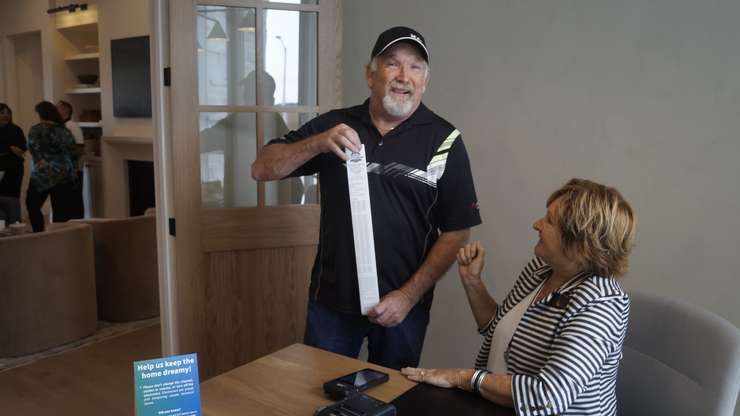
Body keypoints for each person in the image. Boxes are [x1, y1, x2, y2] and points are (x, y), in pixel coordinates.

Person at [252, 27, 481, 370]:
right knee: (318, 395)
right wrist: (317, 142)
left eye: (415, 67)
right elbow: (262, 169)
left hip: (402, 308)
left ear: (425, 79)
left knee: (391, 401)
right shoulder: (335, 125)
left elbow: (457, 231)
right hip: (332, 303)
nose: (404, 77)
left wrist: (408, 296)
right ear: (370, 75)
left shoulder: (445, 139)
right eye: (393, 64)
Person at [401, 178, 636, 416]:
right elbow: (496, 329)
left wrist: (461, 377)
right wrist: (473, 281)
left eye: (550, 221)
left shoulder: (601, 303)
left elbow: (548, 396)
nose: (537, 224)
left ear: (579, 242)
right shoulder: (540, 270)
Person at [25, 101, 82, 232]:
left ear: (41, 114)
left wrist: (41, 161)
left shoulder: (36, 129)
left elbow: (34, 149)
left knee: (32, 205)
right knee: (61, 211)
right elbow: (74, 152)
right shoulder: (64, 130)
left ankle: (39, 233)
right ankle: (59, 238)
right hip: (64, 175)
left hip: (43, 175)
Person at [0, 103, 27, 224]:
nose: (6, 115)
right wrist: (10, 148)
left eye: (8, 113)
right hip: (0, 169)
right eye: (2, 112)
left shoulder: (16, 129)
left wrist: (12, 149)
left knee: (13, 198)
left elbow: (22, 147)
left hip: (14, 169)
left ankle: (15, 225)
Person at [57, 100, 85, 215]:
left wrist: (74, 168)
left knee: (75, 201)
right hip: (64, 171)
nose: (55, 110)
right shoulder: (61, 126)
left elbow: (80, 148)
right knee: (65, 202)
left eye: (57, 107)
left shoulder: (72, 126)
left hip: (73, 171)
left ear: (65, 110)